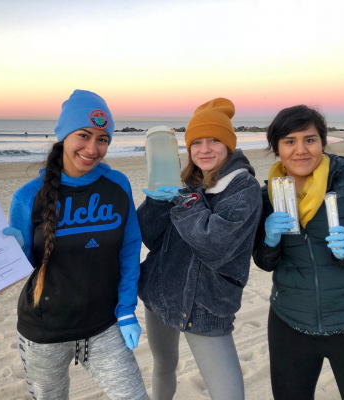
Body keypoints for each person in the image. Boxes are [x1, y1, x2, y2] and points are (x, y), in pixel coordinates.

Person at [3, 90, 149, 400]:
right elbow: (25, 265)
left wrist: (126, 311)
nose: (92, 148)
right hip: (45, 332)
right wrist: (12, 252)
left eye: (102, 139)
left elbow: (129, 248)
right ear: (64, 136)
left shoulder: (117, 185)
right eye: (83, 135)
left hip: (105, 325)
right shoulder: (28, 197)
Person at [253, 105, 344, 400]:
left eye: (309, 139)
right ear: (277, 148)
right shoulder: (267, 195)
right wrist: (269, 240)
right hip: (290, 323)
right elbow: (265, 262)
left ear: (323, 142)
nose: (300, 150)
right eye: (289, 141)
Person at [137, 98, 262, 400]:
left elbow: (214, 244)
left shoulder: (242, 188)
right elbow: (152, 239)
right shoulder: (186, 183)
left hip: (205, 306)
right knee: (164, 366)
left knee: (228, 394)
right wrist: (156, 202)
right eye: (196, 142)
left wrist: (184, 203)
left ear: (229, 145)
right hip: (161, 293)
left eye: (214, 140)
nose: (204, 149)